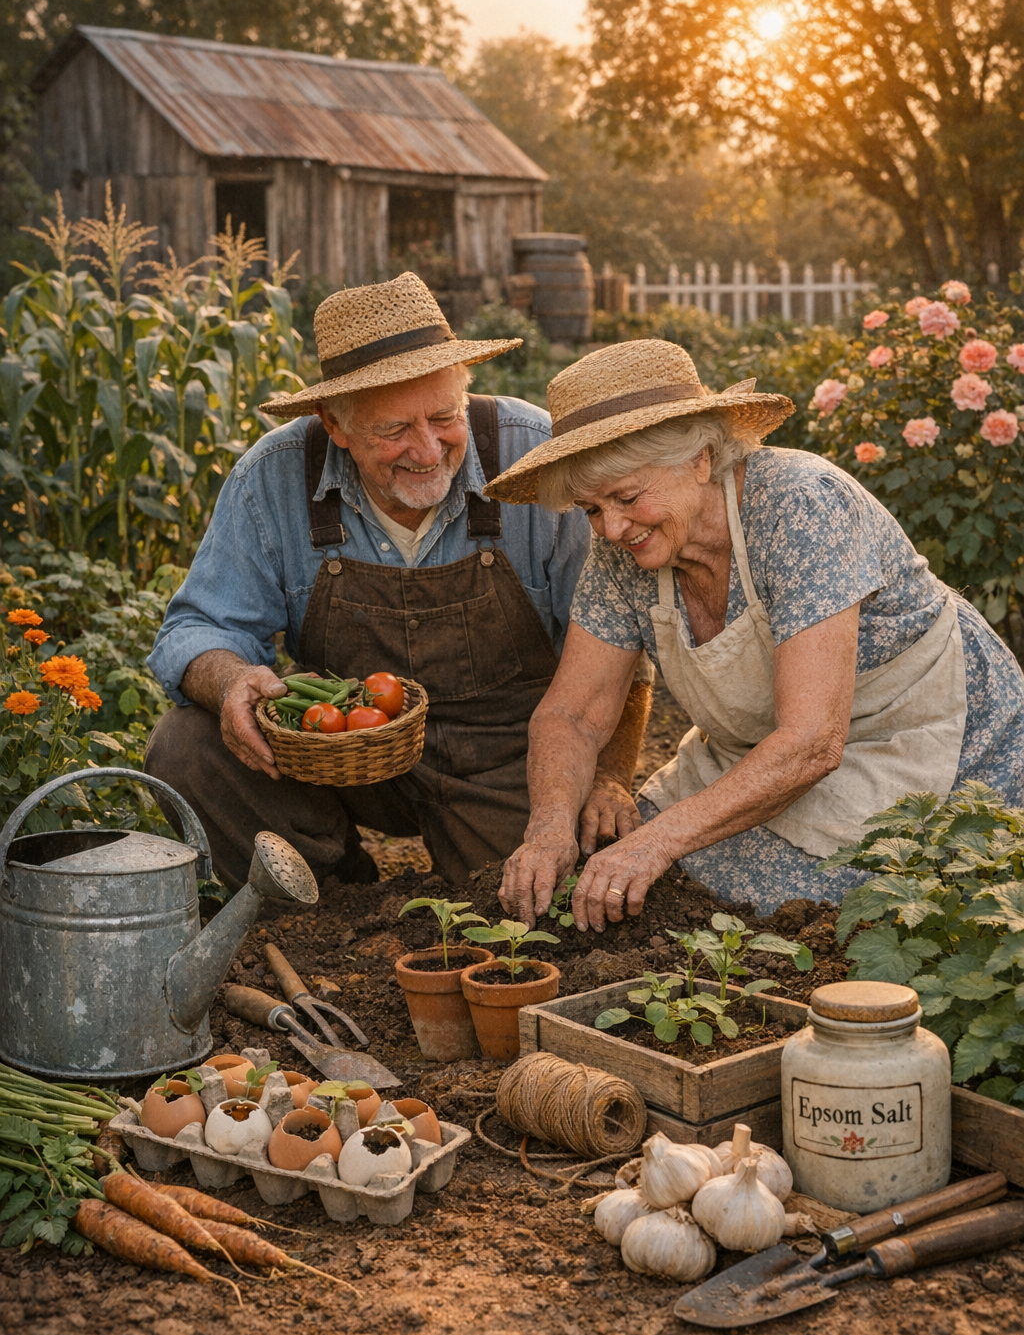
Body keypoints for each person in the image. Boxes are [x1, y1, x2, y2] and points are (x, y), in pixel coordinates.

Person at [491, 338, 1024, 928]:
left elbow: (811, 742)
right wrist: (548, 830)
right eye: (591, 509)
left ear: (700, 459)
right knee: (628, 864)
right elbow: (571, 714)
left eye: (627, 497)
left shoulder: (800, 505)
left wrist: (656, 843)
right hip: (762, 749)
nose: (612, 527)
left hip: (916, 736)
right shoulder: (623, 553)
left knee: (802, 909)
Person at [145, 274, 651, 891]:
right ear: (335, 425)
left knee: (540, 896)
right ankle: (327, 900)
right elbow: (196, 628)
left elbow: (622, 647)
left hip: (512, 757)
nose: (428, 450)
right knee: (188, 747)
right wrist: (228, 681)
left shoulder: (537, 458)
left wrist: (609, 778)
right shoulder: (274, 477)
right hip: (343, 753)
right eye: (393, 431)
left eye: (443, 417)